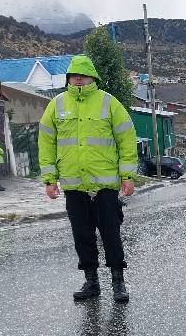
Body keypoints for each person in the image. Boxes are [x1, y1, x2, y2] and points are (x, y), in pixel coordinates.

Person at [38, 55, 138, 303]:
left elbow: (126, 139)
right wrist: (49, 180)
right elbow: (46, 143)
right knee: (82, 236)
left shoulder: (108, 102)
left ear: (93, 76)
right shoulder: (57, 105)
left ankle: (118, 281)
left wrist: (127, 176)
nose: (78, 78)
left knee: (110, 234)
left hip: (104, 184)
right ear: (68, 78)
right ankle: (91, 281)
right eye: (74, 74)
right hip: (74, 185)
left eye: (83, 74)